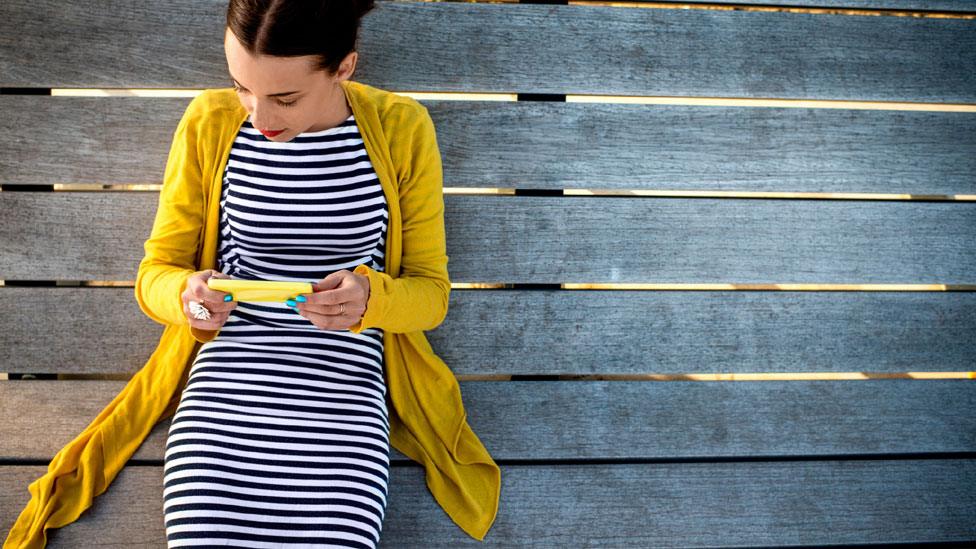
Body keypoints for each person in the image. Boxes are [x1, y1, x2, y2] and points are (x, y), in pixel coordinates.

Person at [3, 1, 499, 548]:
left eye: (285, 97)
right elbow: (155, 274)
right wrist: (187, 296)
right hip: (226, 386)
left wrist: (372, 301)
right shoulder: (210, 123)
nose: (259, 117)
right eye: (242, 86)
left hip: (344, 389)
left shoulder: (401, 129)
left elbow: (431, 294)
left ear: (344, 67)